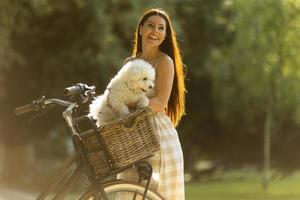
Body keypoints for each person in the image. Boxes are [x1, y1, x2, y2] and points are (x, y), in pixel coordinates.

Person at [118, 8, 186, 200]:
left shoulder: (164, 62)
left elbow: (160, 102)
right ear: (140, 29)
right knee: (128, 190)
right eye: (150, 25)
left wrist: (130, 109)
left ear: (165, 35)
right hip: (131, 135)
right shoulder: (129, 63)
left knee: (155, 192)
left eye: (161, 28)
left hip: (157, 136)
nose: (155, 31)